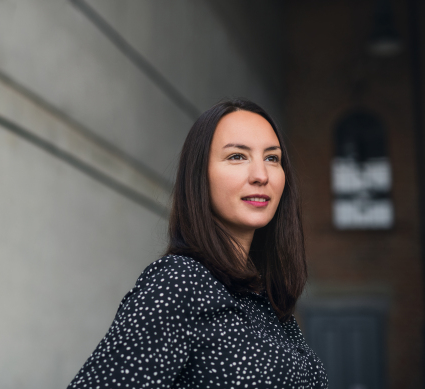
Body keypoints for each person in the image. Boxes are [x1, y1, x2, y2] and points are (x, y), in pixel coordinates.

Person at [67, 99, 328, 388]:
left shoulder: (266, 302)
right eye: (237, 157)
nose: (261, 175)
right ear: (199, 176)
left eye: (272, 158)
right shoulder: (179, 282)